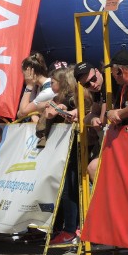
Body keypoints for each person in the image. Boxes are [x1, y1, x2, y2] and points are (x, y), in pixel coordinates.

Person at [44, 68, 80, 245]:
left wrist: (56, 108)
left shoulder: (73, 98)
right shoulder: (67, 98)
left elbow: (52, 112)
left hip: (76, 146)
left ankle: (70, 229)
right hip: (65, 147)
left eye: (54, 81)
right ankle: (65, 228)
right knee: (66, 187)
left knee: (70, 188)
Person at [17, 52, 55, 121]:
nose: (23, 77)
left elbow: (22, 113)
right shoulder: (39, 87)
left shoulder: (47, 91)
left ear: (30, 71)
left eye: (23, 73)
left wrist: (29, 85)